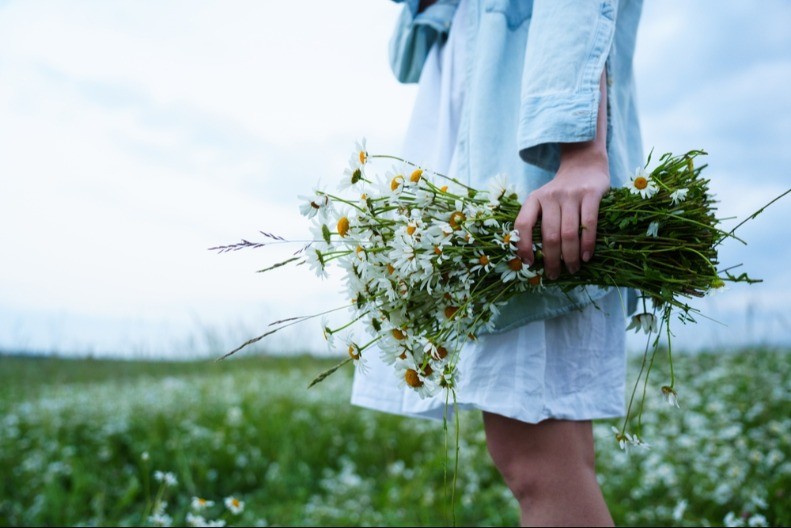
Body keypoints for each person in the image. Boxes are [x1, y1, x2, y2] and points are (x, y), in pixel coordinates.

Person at [351, 0, 644, 525]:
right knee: (555, 457)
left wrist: (577, 148)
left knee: (536, 461)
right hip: (480, 147)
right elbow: (408, 59)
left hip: (525, 159)